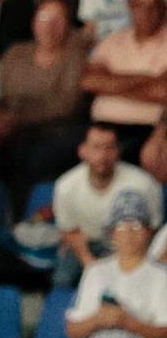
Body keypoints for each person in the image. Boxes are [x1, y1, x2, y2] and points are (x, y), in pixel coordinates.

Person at [66, 191, 167, 338]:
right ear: (112, 232)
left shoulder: (161, 276)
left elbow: (164, 335)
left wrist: (127, 321)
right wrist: (99, 319)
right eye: (121, 226)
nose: (128, 233)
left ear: (149, 231)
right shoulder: (96, 272)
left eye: (136, 226)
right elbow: (73, 331)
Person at [0, 0, 89, 207]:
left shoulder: (74, 57)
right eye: (44, 18)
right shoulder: (16, 53)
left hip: (52, 132)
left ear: (68, 25)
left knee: (30, 157)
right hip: (7, 128)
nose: (49, 26)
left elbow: (67, 104)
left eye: (58, 20)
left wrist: (18, 117)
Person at [52, 123, 163, 288]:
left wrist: (125, 259)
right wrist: (89, 262)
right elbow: (69, 231)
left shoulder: (144, 185)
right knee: (62, 280)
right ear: (83, 151)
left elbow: (152, 229)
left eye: (109, 148)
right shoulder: (66, 186)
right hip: (86, 244)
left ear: (118, 151)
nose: (103, 155)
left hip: (129, 245)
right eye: (96, 147)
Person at [83, 0, 167, 156]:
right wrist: (150, 79)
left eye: (154, 5)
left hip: (146, 130)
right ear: (129, 6)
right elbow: (89, 82)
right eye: (139, 5)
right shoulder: (113, 40)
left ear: (163, 8)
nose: (146, 12)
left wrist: (110, 86)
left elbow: (163, 91)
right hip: (99, 127)